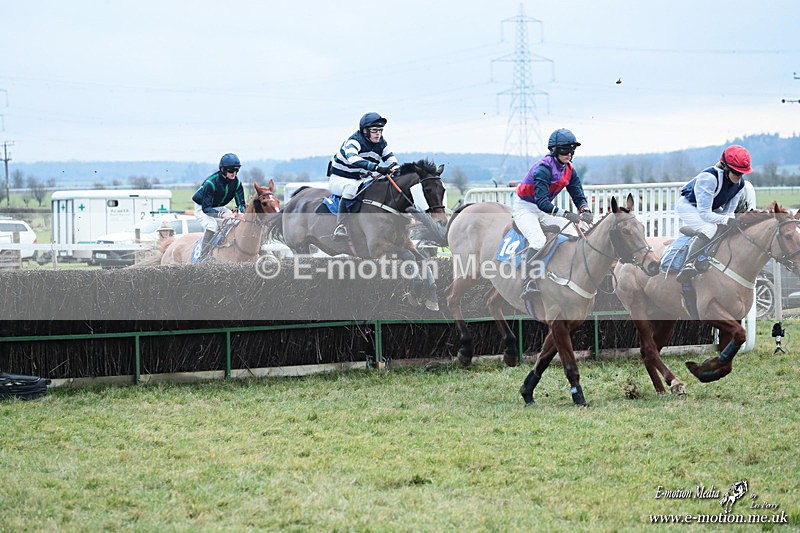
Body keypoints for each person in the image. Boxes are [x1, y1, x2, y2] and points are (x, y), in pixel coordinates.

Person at [512, 128, 593, 299]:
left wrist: (584, 209)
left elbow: (577, 193)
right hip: (526, 207)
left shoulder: (569, 169)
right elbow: (542, 203)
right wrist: (566, 214)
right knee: (538, 241)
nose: (569, 154)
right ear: (554, 150)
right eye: (565, 149)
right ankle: (528, 282)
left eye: (572, 150)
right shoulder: (543, 168)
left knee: (573, 235)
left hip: (543, 207)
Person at [675, 145, 752, 282]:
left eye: (742, 173)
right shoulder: (709, 178)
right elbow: (704, 213)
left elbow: (729, 211)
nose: (739, 176)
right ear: (726, 167)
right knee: (710, 228)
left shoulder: (740, 185)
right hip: (689, 206)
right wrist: (726, 221)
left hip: (711, 208)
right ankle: (688, 263)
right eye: (736, 172)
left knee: (729, 228)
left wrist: (729, 221)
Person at [327, 112, 399, 240]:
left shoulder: (382, 143)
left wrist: (396, 170)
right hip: (340, 178)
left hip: (361, 178)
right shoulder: (353, 141)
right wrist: (376, 167)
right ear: (365, 131)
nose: (378, 134)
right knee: (350, 188)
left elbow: (392, 161)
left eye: (380, 130)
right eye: (374, 130)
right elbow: (353, 159)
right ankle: (341, 226)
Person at [191, 153, 247, 261]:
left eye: (236, 170)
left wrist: (240, 212)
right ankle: (203, 257)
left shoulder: (237, 184)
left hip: (218, 206)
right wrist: (223, 214)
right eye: (231, 170)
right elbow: (206, 209)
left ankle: (228, 247)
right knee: (212, 225)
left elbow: (241, 204)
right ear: (223, 170)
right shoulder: (210, 183)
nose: (234, 173)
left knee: (235, 222)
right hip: (202, 207)